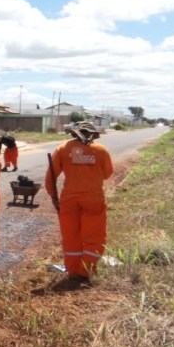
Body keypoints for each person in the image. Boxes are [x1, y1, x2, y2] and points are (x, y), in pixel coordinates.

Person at [44, 121, 114, 286]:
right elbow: (107, 174)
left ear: (74, 133)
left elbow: (50, 178)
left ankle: (74, 272)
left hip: (69, 200)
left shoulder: (62, 149)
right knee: (94, 236)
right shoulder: (101, 150)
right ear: (92, 134)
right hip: (93, 199)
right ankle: (86, 271)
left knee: (71, 237)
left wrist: (54, 197)